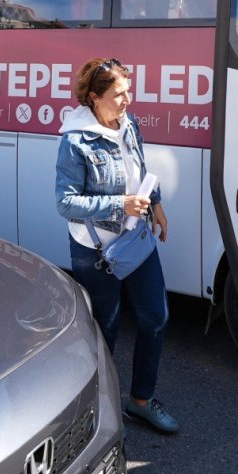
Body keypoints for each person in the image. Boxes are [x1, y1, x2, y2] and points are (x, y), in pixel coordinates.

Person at [55, 57, 177, 434]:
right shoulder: (75, 141)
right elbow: (65, 202)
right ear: (94, 97)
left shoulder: (129, 123)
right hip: (96, 252)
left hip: (136, 240)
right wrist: (119, 204)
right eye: (119, 94)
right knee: (104, 331)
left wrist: (155, 205)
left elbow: (139, 167)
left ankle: (140, 401)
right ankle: (99, 407)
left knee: (155, 317)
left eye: (128, 91)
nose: (128, 100)